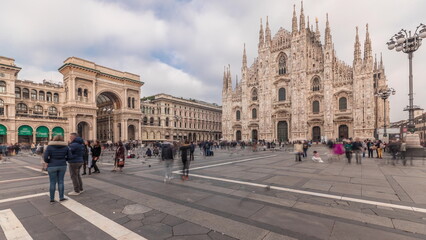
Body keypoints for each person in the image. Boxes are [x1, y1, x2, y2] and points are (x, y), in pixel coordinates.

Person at [44, 135, 72, 203]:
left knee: (52, 182)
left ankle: (52, 199)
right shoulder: (66, 147)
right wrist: (64, 159)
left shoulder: (49, 146)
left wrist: (48, 161)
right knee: (61, 181)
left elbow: (45, 157)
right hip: (62, 165)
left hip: (52, 165)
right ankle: (61, 197)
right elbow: (70, 157)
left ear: (54, 139)